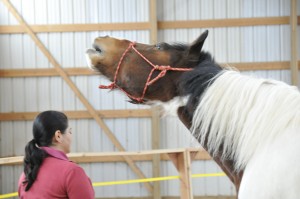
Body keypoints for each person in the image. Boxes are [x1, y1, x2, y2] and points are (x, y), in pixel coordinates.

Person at [18, 110, 95, 198]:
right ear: (58, 136)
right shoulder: (72, 172)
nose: (71, 136)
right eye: (69, 131)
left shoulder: (26, 174)